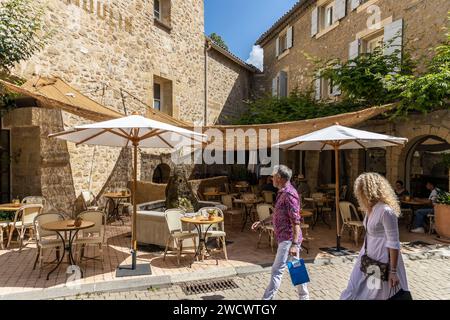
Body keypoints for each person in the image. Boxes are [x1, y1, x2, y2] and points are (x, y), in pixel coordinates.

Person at [341, 172, 409, 300]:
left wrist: (393, 271)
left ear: (369, 190)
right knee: (356, 288)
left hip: (382, 259)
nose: (359, 194)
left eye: (361, 190)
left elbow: (394, 242)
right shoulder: (370, 208)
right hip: (368, 257)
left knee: (375, 293)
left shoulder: (386, 211)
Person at [251, 165, 309, 300]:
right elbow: (277, 214)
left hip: (288, 239)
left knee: (277, 270)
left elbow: (296, 221)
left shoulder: (289, 195)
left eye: (273, 176)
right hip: (287, 239)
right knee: (296, 268)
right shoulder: (283, 193)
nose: (271, 179)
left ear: (279, 178)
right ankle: (304, 297)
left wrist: (294, 244)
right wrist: (262, 222)